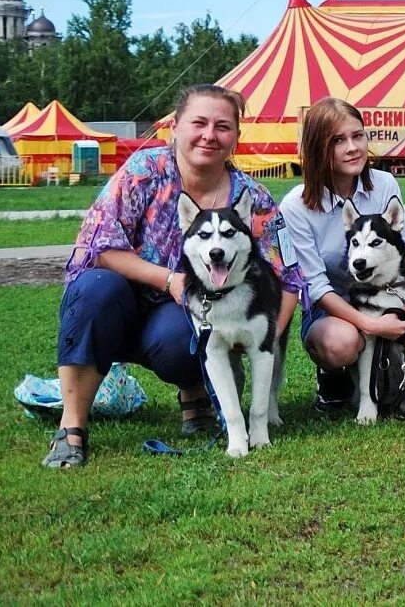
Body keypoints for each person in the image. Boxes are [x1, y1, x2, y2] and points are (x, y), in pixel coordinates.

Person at [44, 84, 304, 468]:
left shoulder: (255, 198)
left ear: (235, 137)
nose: (209, 135)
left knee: (195, 333)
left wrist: (264, 336)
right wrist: (169, 280)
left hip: (177, 317)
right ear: (175, 128)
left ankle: (193, 394)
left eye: (223, 126)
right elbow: (98, 244)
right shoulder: (143, 172)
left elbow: (288, 274)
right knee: (94, 288)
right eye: (199, 122)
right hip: (116, 298)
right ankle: (72, 428)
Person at [281, 98, 405, 417]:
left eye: (357, 136)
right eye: (338, 140)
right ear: (317, 147)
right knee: (341, 342)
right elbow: (315, 286)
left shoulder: (384, 184)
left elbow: (399, 259)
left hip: (386, 293)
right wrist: (371, 324)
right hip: (332, 309)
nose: (352, 147)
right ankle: (333, 374)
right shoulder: (296, 206)